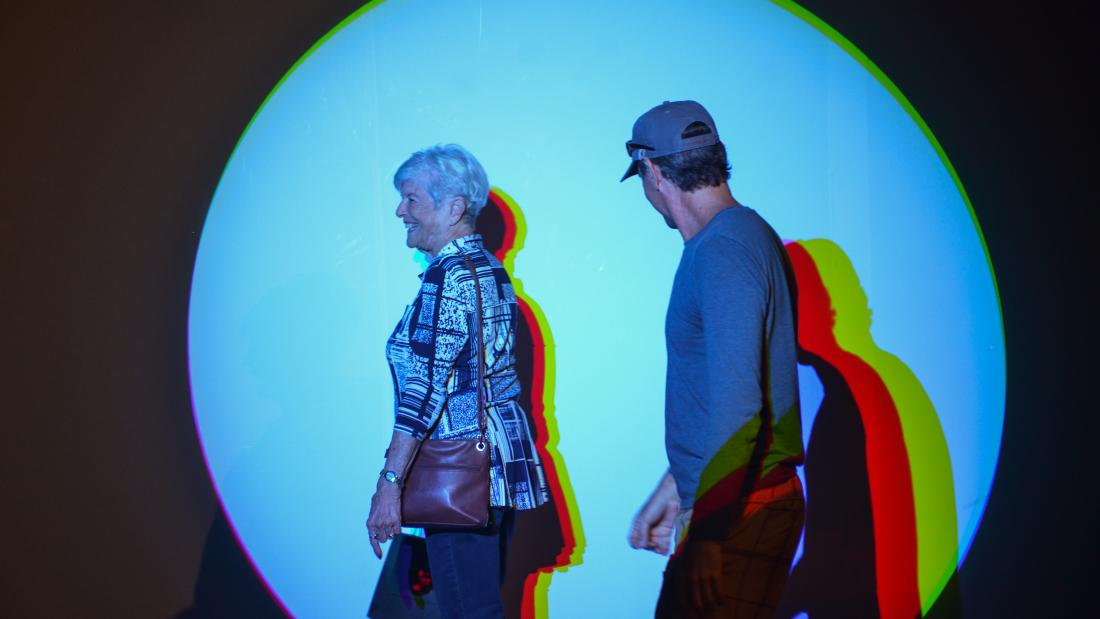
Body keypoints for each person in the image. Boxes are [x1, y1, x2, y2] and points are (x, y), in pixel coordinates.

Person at [622, 101, 805, 618]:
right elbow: (720, 390)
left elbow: (740, 405)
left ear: (653, 172)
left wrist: (707, 533)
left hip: (743, 508)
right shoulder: (731, 240)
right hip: (731, 502)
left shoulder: (724, 250)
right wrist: (677, 484)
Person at [366, 144, 548, 619]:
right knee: (475, 603)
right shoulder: (488, 270)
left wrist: (389, 483)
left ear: (453, 208)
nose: (400, 210)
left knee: (468, 610)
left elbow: (425, 391)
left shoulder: (448, 278)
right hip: (492, 465)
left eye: (411, 199)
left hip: (459, 472)